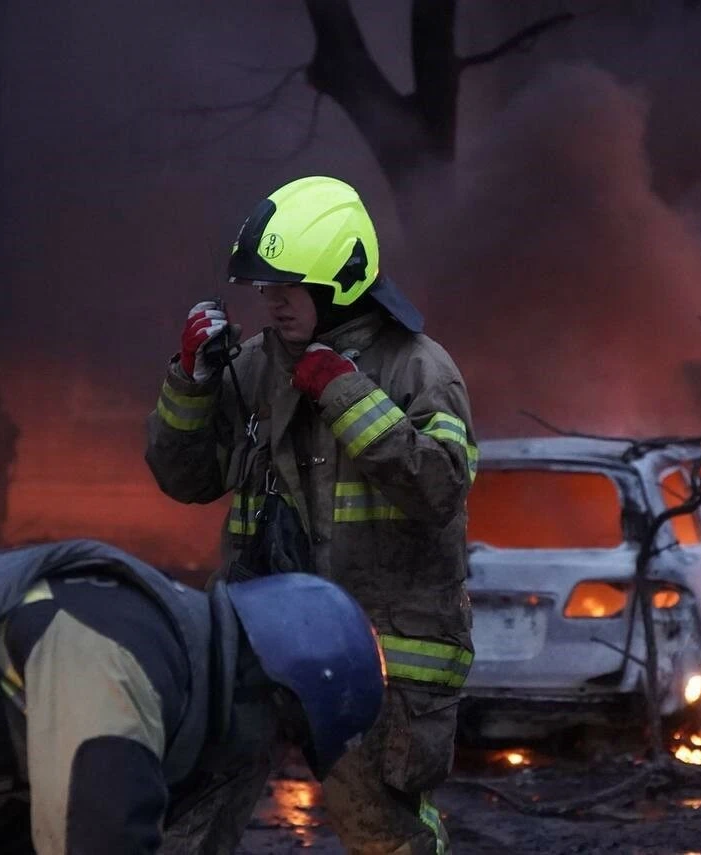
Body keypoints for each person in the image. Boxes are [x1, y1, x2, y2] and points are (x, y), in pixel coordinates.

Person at [146, 175, 476, 853]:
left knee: (380, 830)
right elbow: (185, 477)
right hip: (258, 637)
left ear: (342, 280)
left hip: (378, 650)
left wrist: (346, 394)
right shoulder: (255, 368)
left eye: (287, 286)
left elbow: (441, 488)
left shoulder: (420, 369)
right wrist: (191, 382)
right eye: (264, 285)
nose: (271, 300)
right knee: (190, 820)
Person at [0, 538, 384, 855]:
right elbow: (96, 834)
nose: (271, 762)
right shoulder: (122, 651)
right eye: (284, 740)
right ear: (266, 687)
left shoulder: (155, 648)